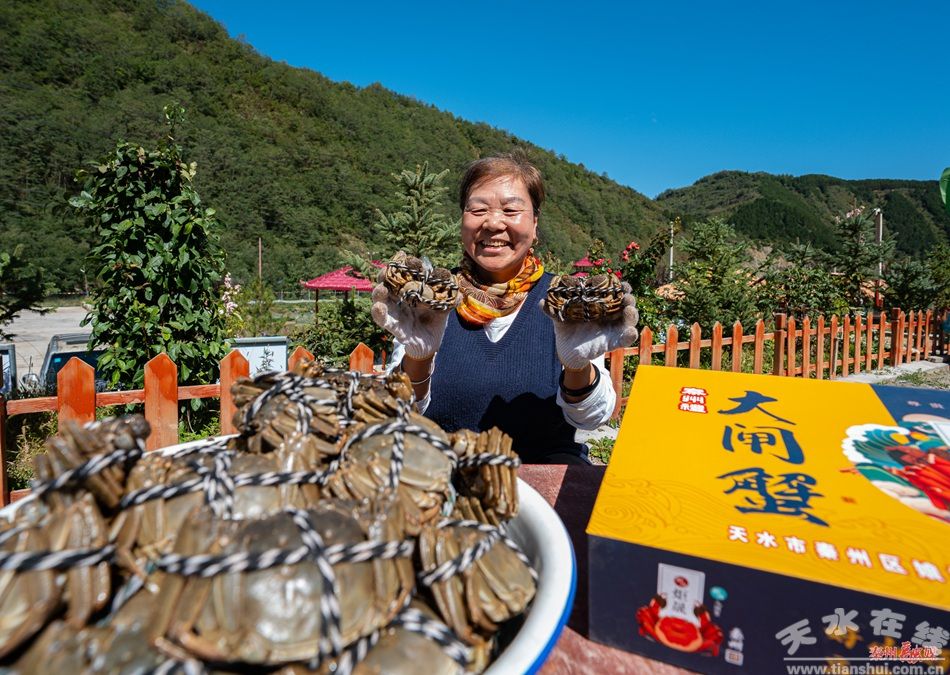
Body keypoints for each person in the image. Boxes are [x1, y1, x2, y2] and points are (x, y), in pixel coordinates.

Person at [372, 155, 638, 464]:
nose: (493, 223)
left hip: (542, 481)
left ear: (535, 224)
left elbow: (592, 418)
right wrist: (419, 357)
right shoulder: (431, 299)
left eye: (511, 210)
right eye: (478, 210)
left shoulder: (566, 304)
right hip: (442, 475)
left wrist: (577, 366)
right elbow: (397, 414)